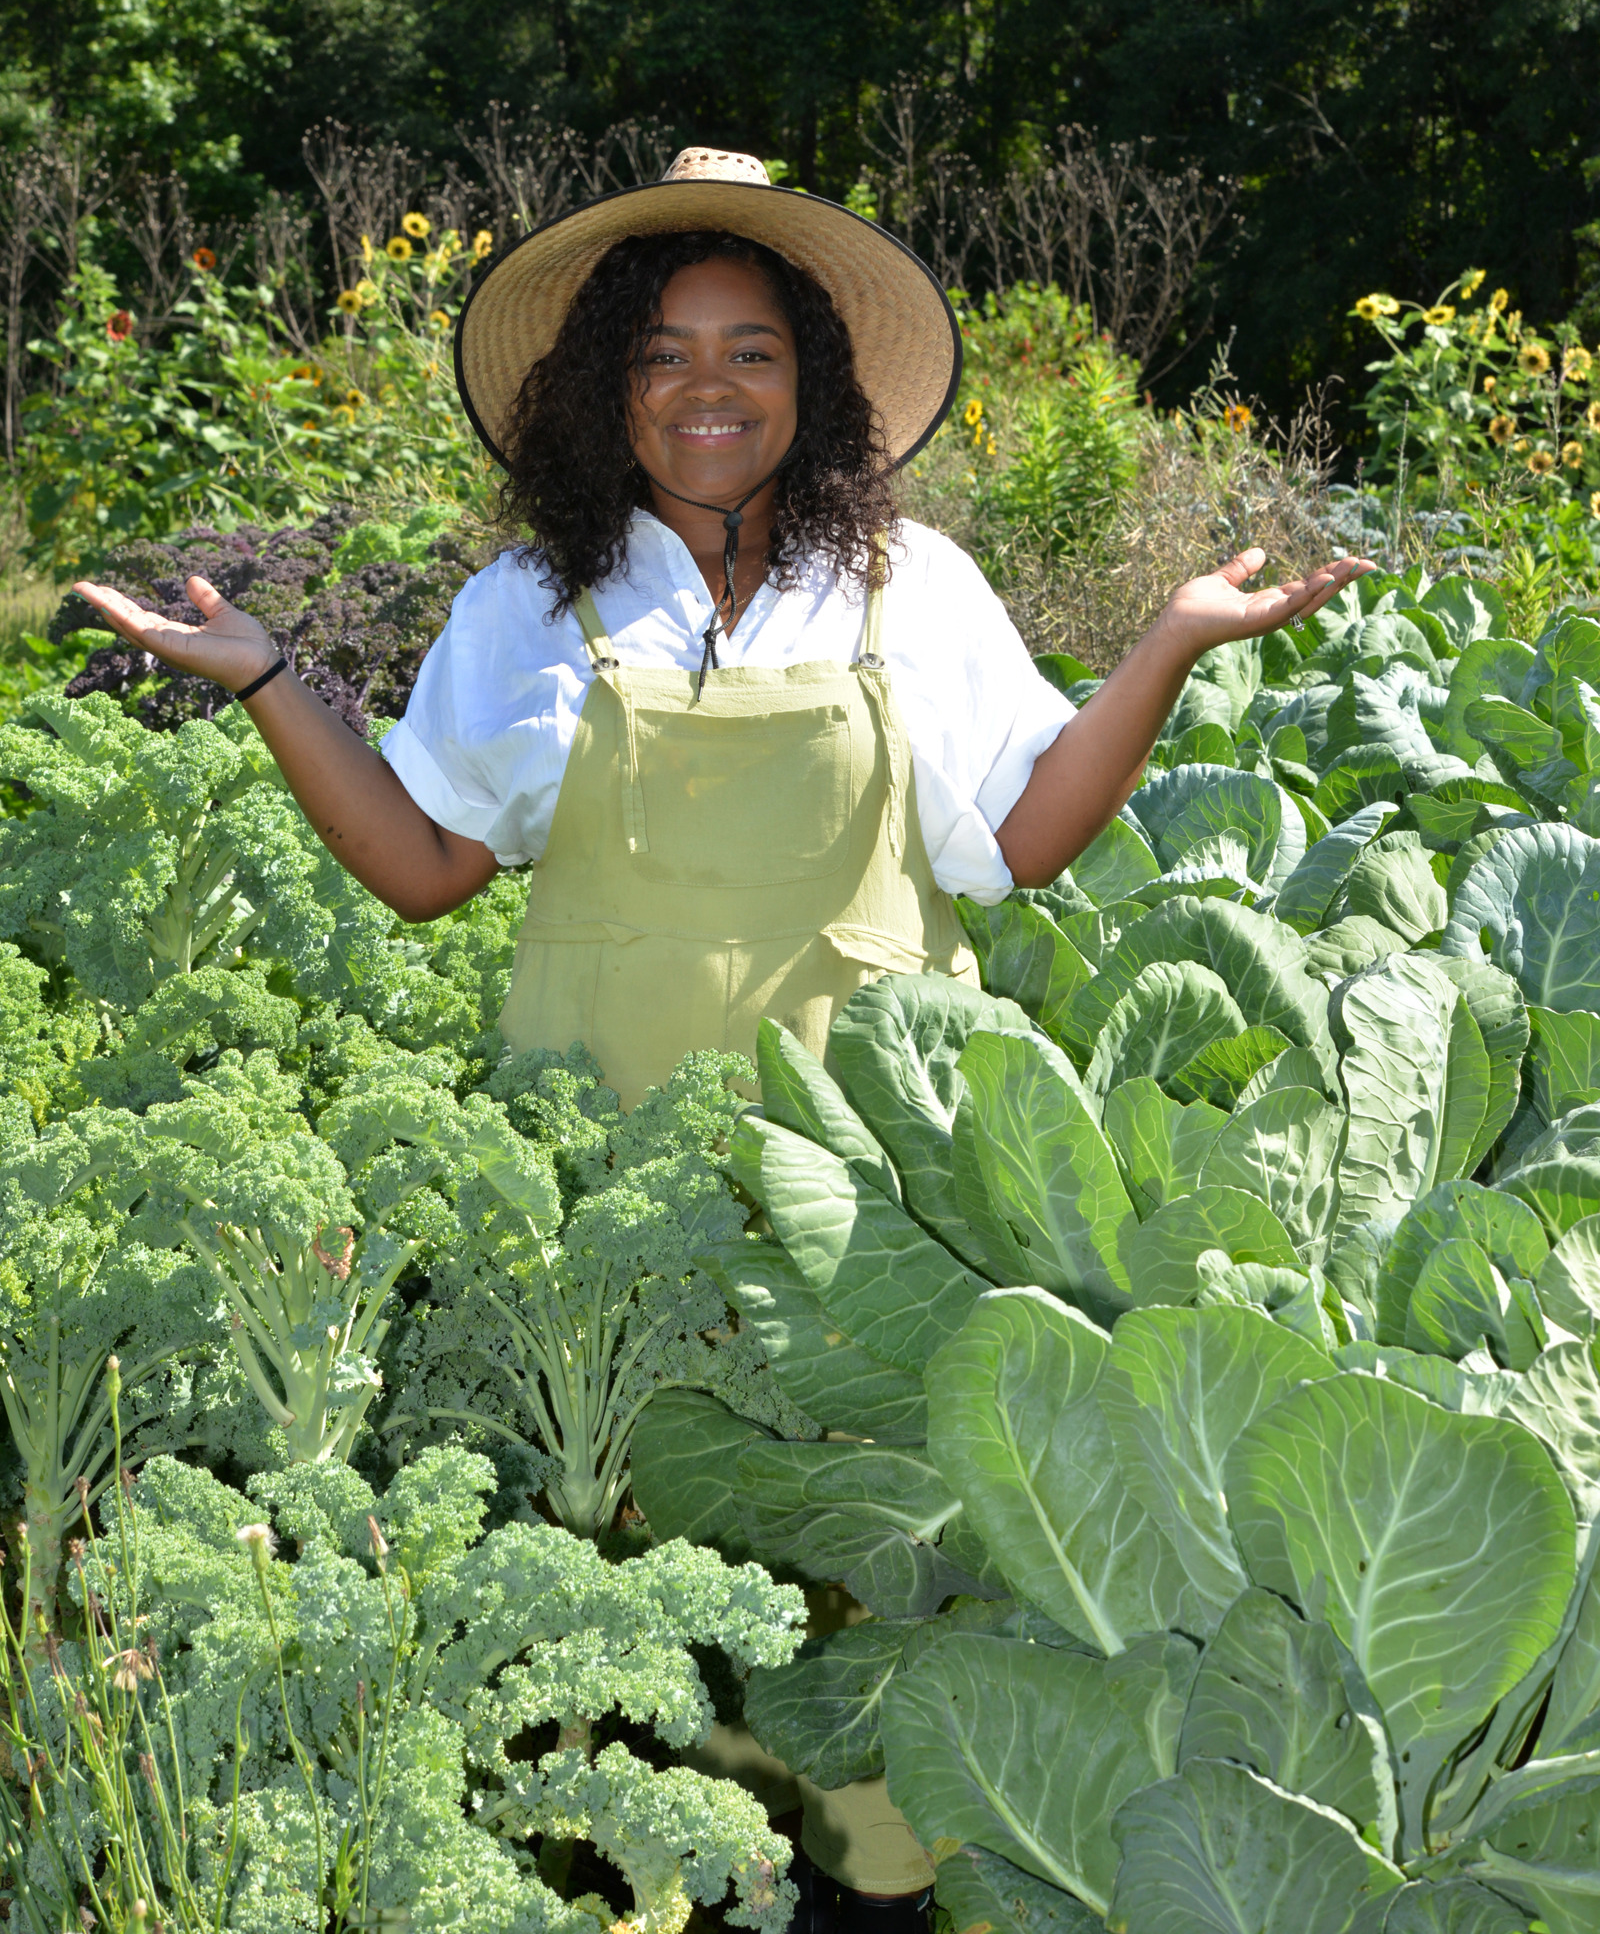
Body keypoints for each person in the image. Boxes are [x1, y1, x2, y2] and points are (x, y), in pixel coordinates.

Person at [77, 147, 1372, 1929]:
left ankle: (868, 1884)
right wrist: (270, 679)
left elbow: (1017, 840)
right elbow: (426, 868)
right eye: (664, 351)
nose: (708, 388)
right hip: (614, 1185)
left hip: (869, 1193)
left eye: (752, 350)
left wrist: (1164, 645)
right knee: (623, 1566)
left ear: (817, 383)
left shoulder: (914, 587)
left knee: (862, 1551)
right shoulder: (534, 603)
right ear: (608, 383)